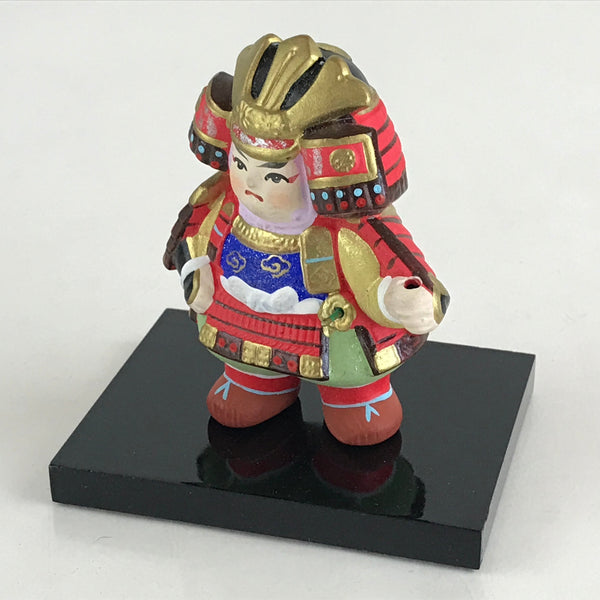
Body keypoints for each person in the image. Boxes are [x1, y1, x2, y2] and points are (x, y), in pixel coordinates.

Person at [164, 34, 449, 446]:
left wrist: (398, 298)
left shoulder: (346, 227)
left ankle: (356, 399)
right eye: (240, 164)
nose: (250, 184)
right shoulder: (223, 203)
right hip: (239, 319)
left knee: (354, 391)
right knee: (244, 373)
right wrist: (195, 270)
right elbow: (194, 235)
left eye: (275, 175)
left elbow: (385, 262)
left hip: (327, 328)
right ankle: (256, 383)